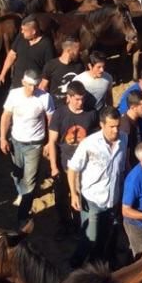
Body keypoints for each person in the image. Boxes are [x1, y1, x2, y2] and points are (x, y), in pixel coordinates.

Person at [67, 106, 127, 267]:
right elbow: (72, 169)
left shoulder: (124, 139)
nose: (115, 130)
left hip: (112, 199)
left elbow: (122, 167)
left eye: (117, 126)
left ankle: (95, 265)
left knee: (103, 237)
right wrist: (73, 194)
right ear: (102, 124)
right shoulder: (89, 143)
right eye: (111, 126)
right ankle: (76, 264)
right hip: (92, 198)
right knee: (89, 237)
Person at [0, 69, 55, 228]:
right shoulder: (14, 95)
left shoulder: (44, 97)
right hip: (16, 142)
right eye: (29, 85)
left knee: (30, 181)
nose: (32, 89)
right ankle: (22, 193)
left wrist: (50, 142)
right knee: (17, 174)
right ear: (23, 82)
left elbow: (51, 121)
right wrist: (3, 138)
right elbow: (6, 116)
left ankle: (22, 215)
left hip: (35, 144)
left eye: (35, 85)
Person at [46, 80, 99, 238]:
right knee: (62, 197)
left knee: (80, 196)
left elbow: (96, 137)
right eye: (76, 99)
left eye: (82, 99)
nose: (80, 102)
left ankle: (78, 226)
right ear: (68, 97)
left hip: (84, 165)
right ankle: (64, 225)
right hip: (64, 164)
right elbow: (52, 142)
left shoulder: (91, 113)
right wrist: (54, 167)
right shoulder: (60, 114)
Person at [0, 15, 56, 88]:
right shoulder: (21, 37)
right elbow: (12, 55)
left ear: (33, 31)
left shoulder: (46, 44)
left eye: (24, 30)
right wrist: (3, 74)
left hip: (33, 87)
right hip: (16, 84)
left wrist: (43, 86)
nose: (22, 32)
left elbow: (49, 68)